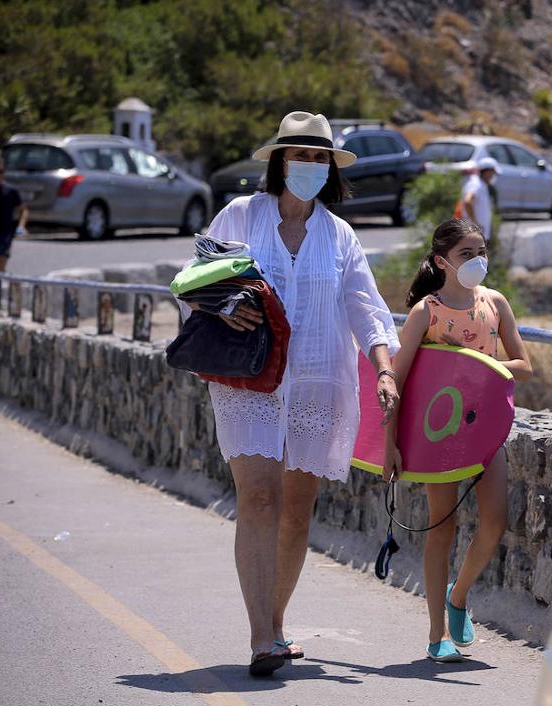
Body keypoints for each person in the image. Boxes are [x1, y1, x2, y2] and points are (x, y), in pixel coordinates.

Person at [202, 111, 402, 676]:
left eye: (319, 157)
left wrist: (384, 369)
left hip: (317, 378)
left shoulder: (340, 235)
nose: (309, 165)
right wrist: (224, 306)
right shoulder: (241, 215)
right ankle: (261, 637)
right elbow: (193, 282)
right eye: (300, 155)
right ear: (278, 161)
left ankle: (278, 624)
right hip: (251, 379)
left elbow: (366, 305)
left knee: (297, 508)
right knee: (259, 498)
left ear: (330, 168)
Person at [382, 218, 532, 662]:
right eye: (467, 254)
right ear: (441, 261)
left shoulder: (495, 303)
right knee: (441, 527)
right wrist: (388, 444)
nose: (477, 261)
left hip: (485, 430)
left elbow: (523, 363)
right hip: (438, 437)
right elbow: (398, 380)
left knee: (495, 522)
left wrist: (478, 366)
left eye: (481, 252)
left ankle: (459, 595)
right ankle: (436, 634)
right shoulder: (425, 313)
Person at [0, 158, 28, 273]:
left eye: (0, 172)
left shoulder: (10, 191)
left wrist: (21, 226)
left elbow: (23, 210)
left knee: (0, 266)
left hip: (5, 234)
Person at [461, 157, 499, 240]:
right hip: (473, 234)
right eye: (493, 173)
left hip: (479, 234)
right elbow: (467, 202)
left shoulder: (482, 184)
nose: (493, 176)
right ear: (487, 172)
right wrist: (475, 224)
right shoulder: (475, 184)